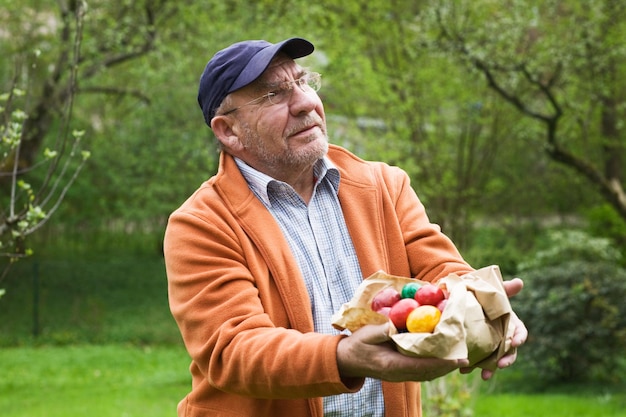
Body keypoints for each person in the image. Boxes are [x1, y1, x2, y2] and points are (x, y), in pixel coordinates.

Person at [163, 37, 528, 417]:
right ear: (228, 131)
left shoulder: (384, 185)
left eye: (303, 82)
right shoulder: (201, 224)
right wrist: (344, 357)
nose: (306, 103)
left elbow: (440, 270)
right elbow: (235, 349)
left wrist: (482, 305)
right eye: (273, 95)